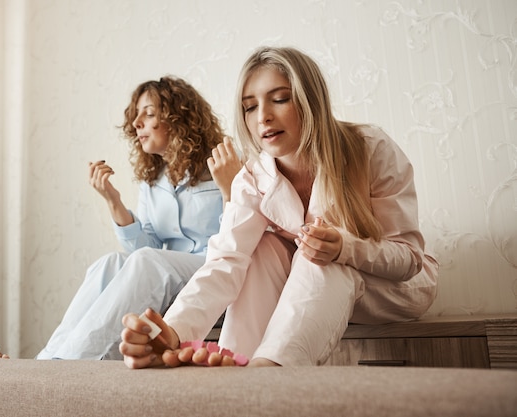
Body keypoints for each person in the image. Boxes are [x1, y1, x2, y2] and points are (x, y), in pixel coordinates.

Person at [119, 46, 439, 369]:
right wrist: (172, 331)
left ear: (309, 99)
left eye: (280, 99)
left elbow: (409, 259)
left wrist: (345, 248)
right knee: (263, 248)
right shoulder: (253, 177)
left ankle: (269, 371)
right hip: (313, 292)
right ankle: (236, 362)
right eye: (249, 107)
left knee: (319, 254)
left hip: (391, 289)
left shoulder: (370, 148)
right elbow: (225, 260)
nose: (263, 118)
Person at [0, 76, 242, 360]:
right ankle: (46, 360)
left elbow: (240, 230)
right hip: (171, 272)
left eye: (149, 114)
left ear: (179, 119)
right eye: (136, 115)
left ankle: (70, 364)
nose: (137, 123)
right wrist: (113, 201)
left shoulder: (224, 164)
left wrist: (230, 188)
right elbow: (143, 246)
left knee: (149, 261)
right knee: (110, 263)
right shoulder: (154, 182)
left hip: (214, 267)